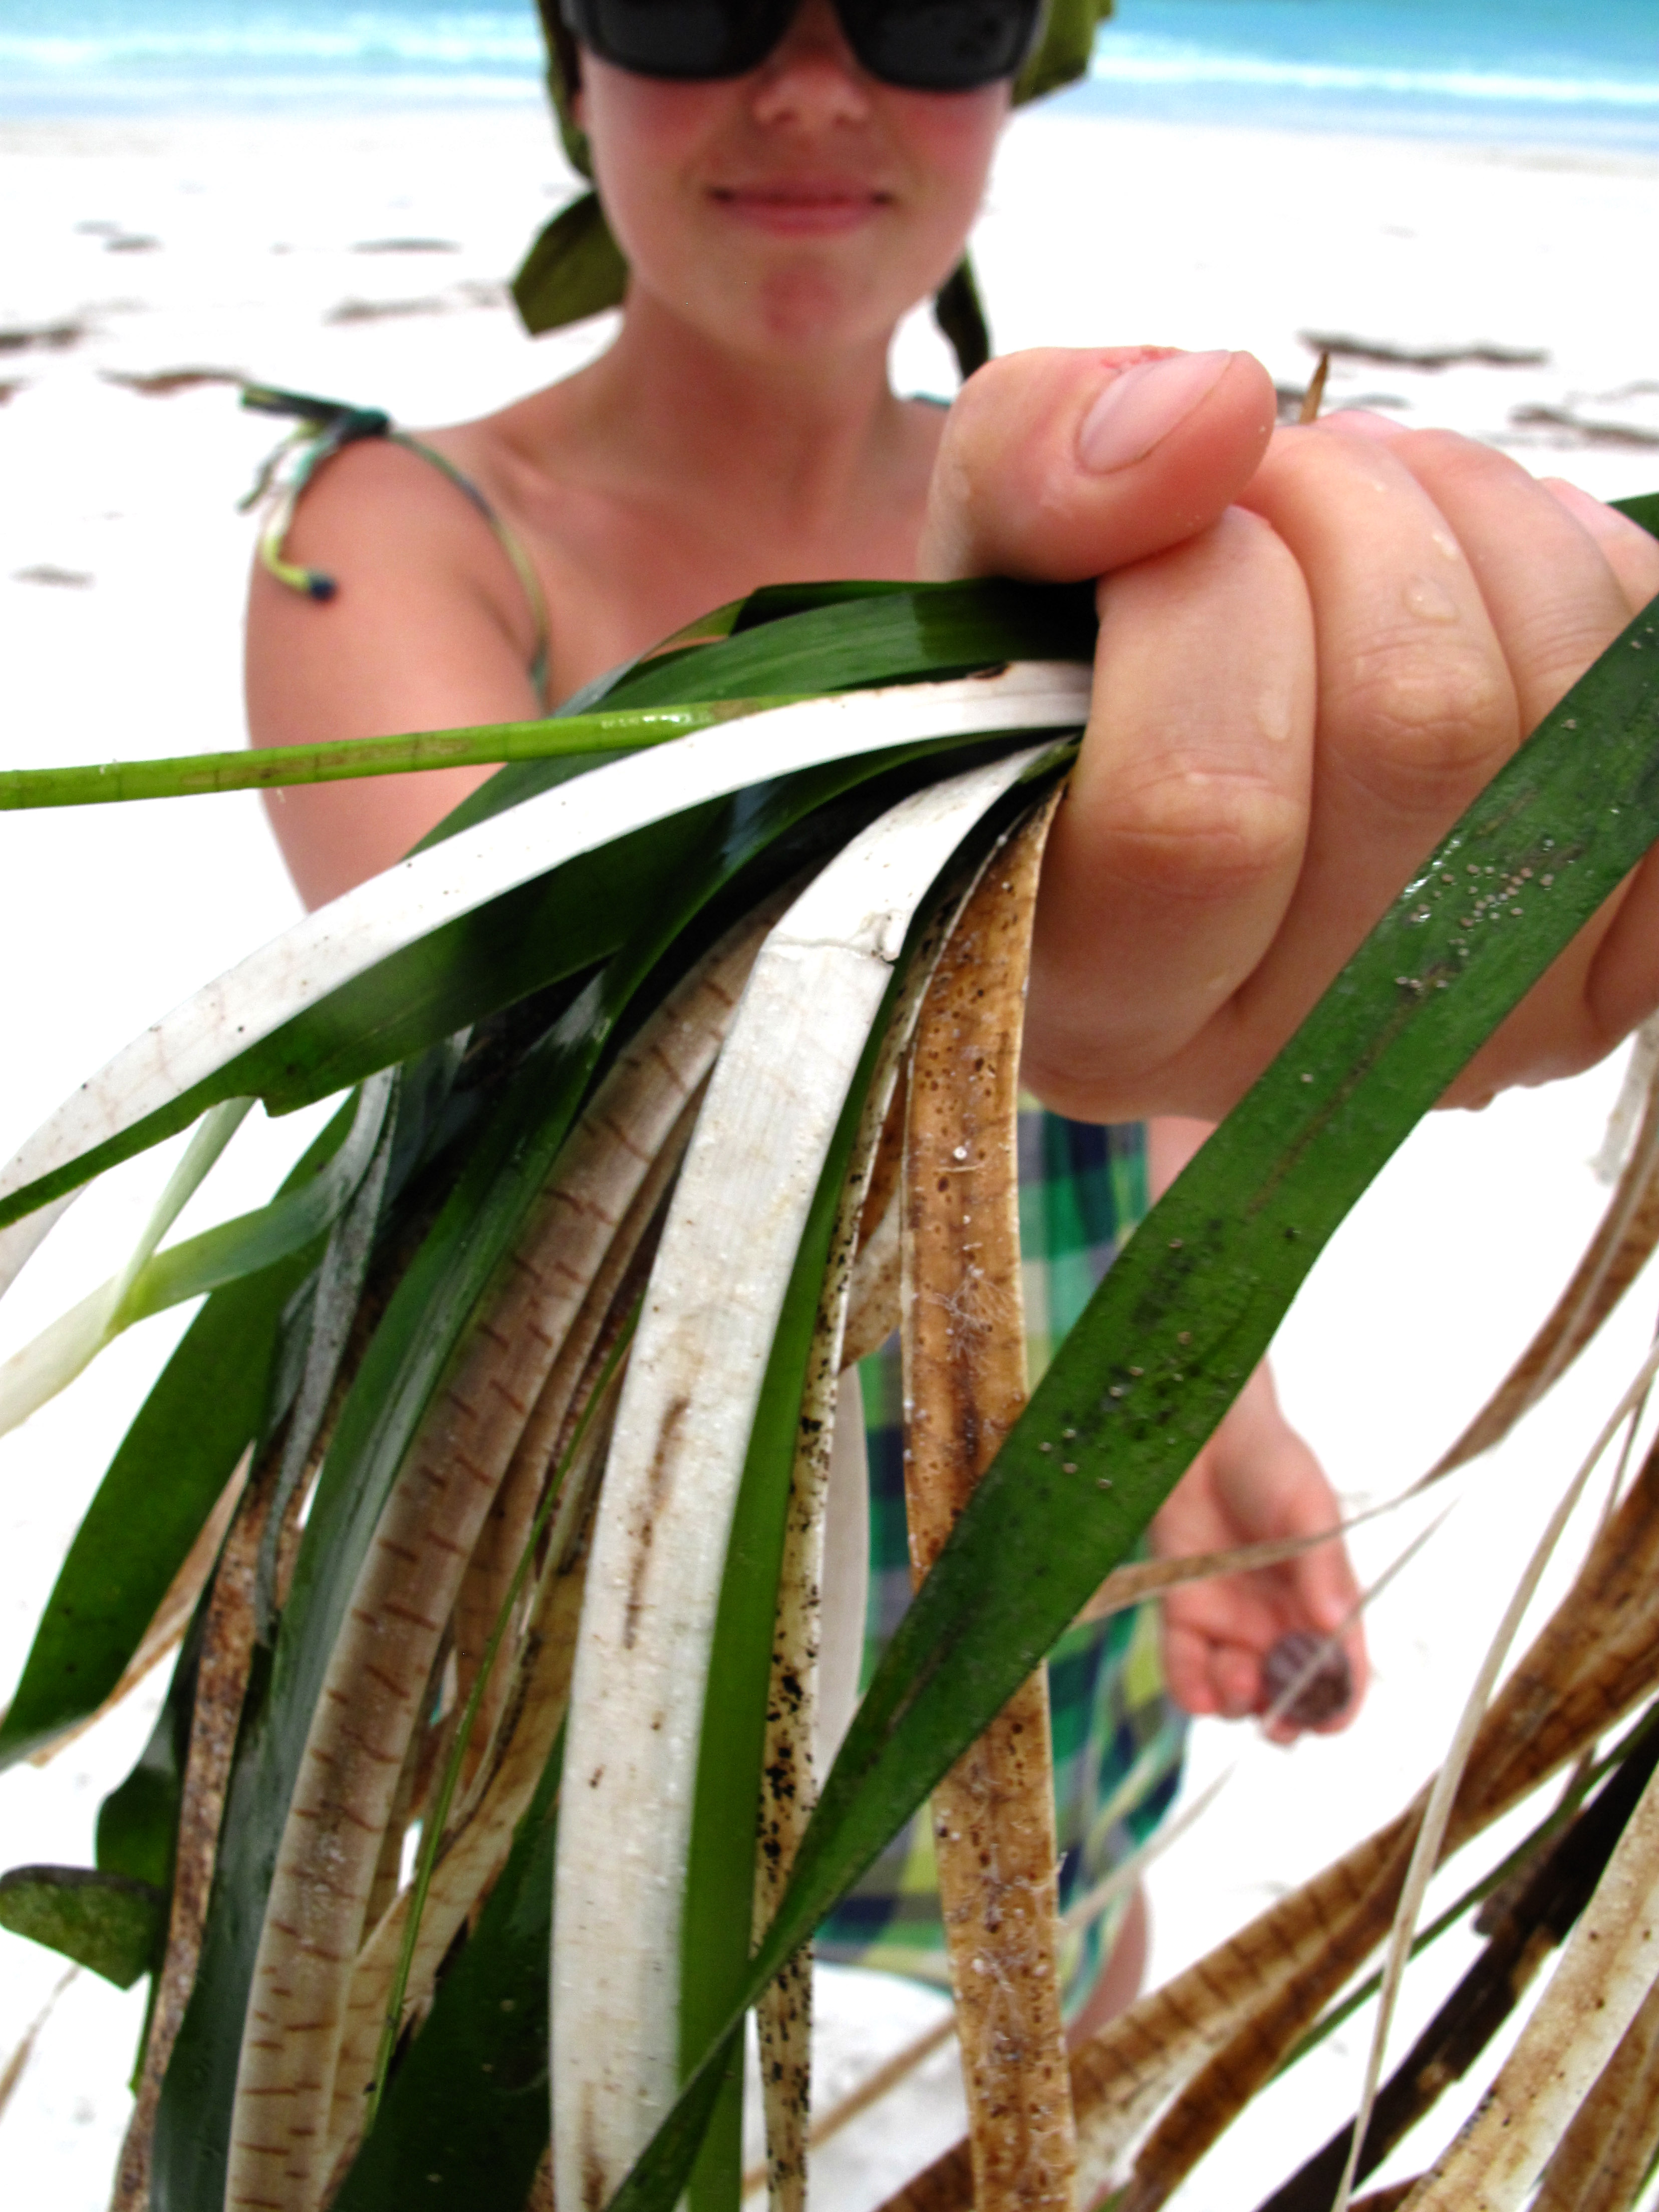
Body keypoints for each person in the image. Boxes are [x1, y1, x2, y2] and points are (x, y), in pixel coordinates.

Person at [242, 0, 1659, 2033]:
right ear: (574, 60)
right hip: (615, 1541)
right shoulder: (389, 535)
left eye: (922, 9)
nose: (815, 87)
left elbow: (1153, 1066)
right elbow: (511, 1027)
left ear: (1017, 67)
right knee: (576, 2033)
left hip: (1040, 1484)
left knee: (1055, 1958)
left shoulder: (1131, 546)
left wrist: (1211, 1394)